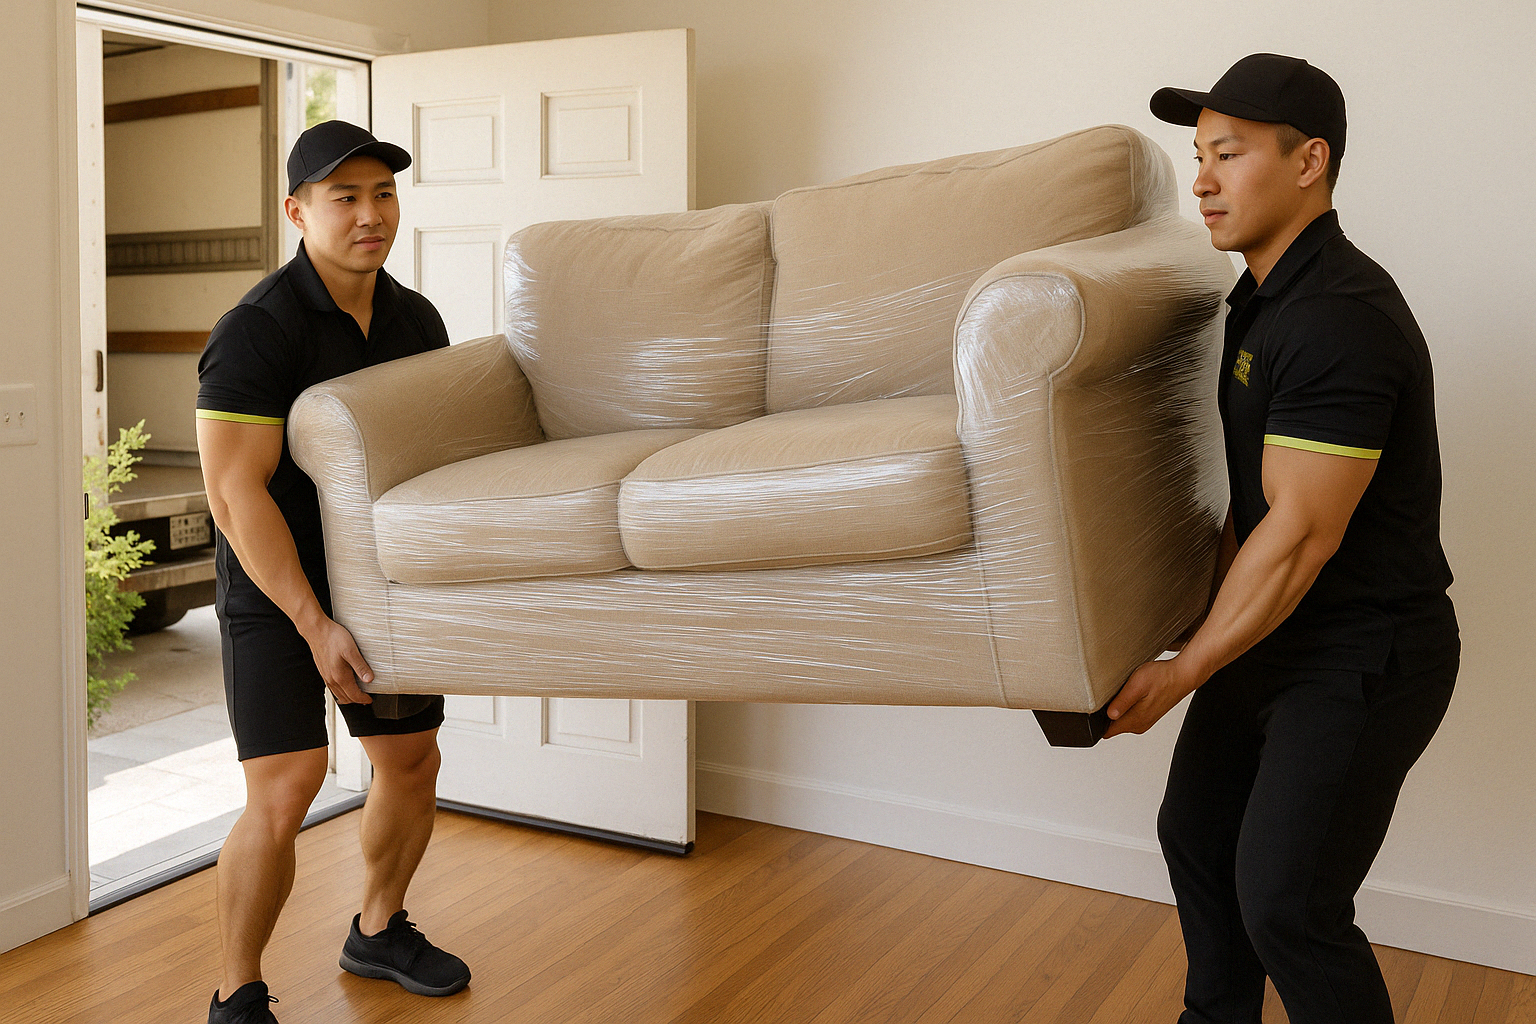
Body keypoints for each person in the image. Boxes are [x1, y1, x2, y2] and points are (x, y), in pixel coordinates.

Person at [1105, 54, 1459, 1024]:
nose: (1204, 180)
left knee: (1289, 904)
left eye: (1229, 154)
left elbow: (1301, 535)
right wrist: (1184, 636)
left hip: (1362, 653)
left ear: (1310, 162)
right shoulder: (1262, 300)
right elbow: (1252, 512)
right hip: (1277, 630)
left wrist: (1185, 672)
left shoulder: (1340, 316)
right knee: (1196, 834)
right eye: (1199, 155)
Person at [196, 120, 469, 1024]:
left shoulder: (414, 320)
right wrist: (315, 623)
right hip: (276, 590)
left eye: (383, 194)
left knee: (409, 758)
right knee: (287, 785)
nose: (370, 214)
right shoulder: (255, 332)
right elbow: (237, 497)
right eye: (344, 196)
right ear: (296, 209)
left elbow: (429, 459)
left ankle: (377, 929)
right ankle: (237, 990)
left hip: (379, 584)